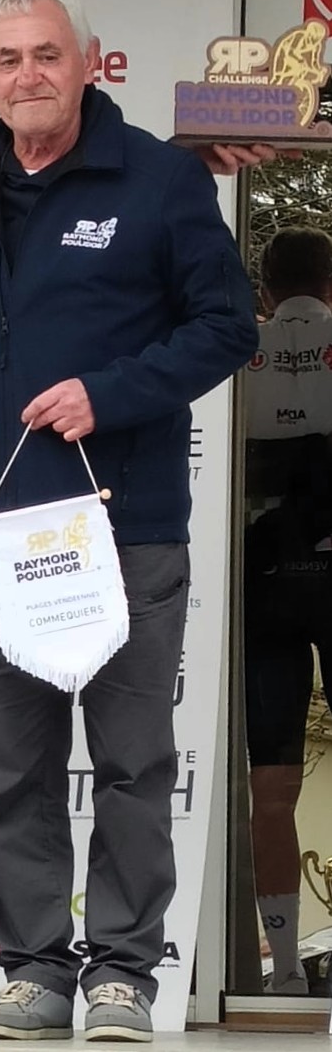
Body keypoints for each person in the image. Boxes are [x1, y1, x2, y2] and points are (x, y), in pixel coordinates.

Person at [0, 0, 257, 1044]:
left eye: (47, 53)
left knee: (135, 764)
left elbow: (226, 325)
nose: (28, 75)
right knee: (16, 771)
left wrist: (111, 392)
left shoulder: (159, 178)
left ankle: (123, 977)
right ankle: (36, 973)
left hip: (123, 525)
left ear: (88, 61)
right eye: (7, 59)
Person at [243, 228, 332, 995]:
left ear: (265, 290)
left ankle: (284, 971)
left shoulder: (240, 348)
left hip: (265, 578)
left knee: (270, 788)